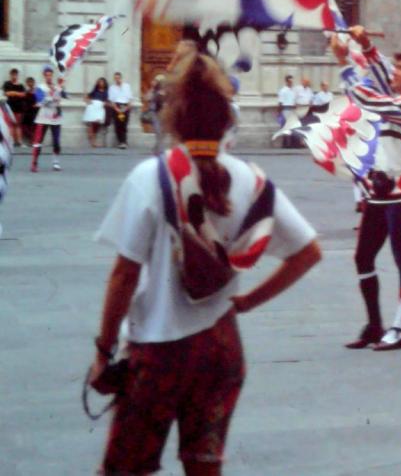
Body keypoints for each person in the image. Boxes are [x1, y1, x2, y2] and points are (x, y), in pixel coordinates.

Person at [88, 43, 321, 475]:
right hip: (221, 349)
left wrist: (103, 350)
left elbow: (124, 275)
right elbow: (308, 252)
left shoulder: (150, 177)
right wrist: (248, 301)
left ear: (172, 114)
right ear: (227, 118)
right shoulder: (252, 181)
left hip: (157, 354)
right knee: (204, 465)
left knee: (124, 468)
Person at [331, 27, 401, 352]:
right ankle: (374, 325)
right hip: (379, 188)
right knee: (363, 256)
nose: (394, 71)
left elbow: (367, 97)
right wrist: (365, 45)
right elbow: (380, 72)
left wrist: (345, 62)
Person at [31, 66, 67, 173]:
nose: (49, 77)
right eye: (47, 75)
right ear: (44, 75)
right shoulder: (40, 87)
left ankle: (56, 162)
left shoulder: (56, 86)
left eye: (50, 75)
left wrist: (61, 87)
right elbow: (40, 100)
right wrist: (52, 96)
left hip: (55, 116)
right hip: (43, 117)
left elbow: (65, 96)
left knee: (56, 141)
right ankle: (34, 163)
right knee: (38, 141)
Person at [108, 71, 133, 149]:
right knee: (118, 125)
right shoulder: (112, 87)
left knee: (124, 124)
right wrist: (116, 109)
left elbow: (130, 98)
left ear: (121, 78)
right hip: (117, 106)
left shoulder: (127, 86)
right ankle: (120, 142)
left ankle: (124, 141)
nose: (117, 80)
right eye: (115, 78)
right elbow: (112, 100)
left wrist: (126, 108)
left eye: (118, 78)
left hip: (125, 106)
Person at [2, 68, 27, 147]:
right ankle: (11, 142)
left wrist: (13, 93)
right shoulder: (7, 83)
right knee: (11, 125)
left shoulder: (20, 85)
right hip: (9, 107)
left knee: (18, 125)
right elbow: (6, 93)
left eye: (15, 74)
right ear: (10, 75)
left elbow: (23, 94)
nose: (14, 76)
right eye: (13, 74)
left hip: (19, 108)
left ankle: (19, 142)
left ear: (17, 75)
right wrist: (16, 93)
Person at [83, 77, 110, 148]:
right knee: (91, 124)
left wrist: (105, 103)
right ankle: (93, 142)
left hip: (100, 108)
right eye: (99, 82)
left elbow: (107, 101)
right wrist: (88, 101)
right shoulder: (95, 91)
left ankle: (93, 139)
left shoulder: (106, 92)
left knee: (97, 124)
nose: (101, 83)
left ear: (104, 83)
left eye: (102, 82)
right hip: (92, 107)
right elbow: (86, 98)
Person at [145, 75, 167, 155]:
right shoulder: (153, 91)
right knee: (158, 132)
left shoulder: (165, 91)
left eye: (156, 81)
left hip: (163, 113)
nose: (154, 82)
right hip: (154, 113)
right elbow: (146, 98)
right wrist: (152, 89)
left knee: (162, 133)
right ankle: (161, 151)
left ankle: (156, 148)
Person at [277, 75, 297, 148]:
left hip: (292, 109)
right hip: (286, 109)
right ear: (286, 81)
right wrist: (279, 112)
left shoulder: (293, 90)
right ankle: (285, 143)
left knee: (291, 126)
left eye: (292, 81)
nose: (291, 83)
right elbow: (280, 102)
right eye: (289, 81)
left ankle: (291, 143)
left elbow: (293, 101)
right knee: (286, 127)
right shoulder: (283, 91)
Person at [22, 76, 39, 141]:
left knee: (33, 127)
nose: (30, 83)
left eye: (31, 82)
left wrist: (37, 105)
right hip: (27, 112)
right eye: (28, 82)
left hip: (34, 112)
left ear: (34, 83)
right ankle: (31, 138)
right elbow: (23, 101)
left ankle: (33, 140)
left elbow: (40, 100)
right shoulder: (26, 92)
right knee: (24, 127)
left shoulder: (37, 91)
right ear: (26, 83)